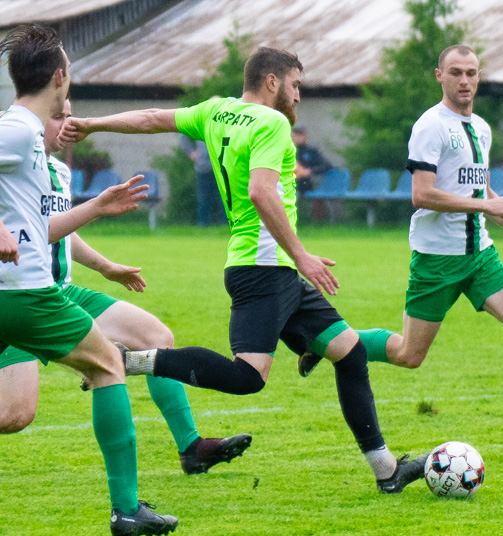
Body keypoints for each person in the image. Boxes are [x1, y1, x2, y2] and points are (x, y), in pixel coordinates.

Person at [62, 46, 430, 494]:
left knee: (349, 352)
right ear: (272, 82)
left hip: (268, 269)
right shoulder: (272, 123)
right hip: (263, 269)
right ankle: (127, 360)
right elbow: (261, 192)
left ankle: (387, 471)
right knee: (247, 377)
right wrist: (302, 256)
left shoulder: (216, 112)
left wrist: (94, 124)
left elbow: (152, 118)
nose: (298, 96)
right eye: (296, 85)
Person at [302, 45, 503, 459]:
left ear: (479, 77)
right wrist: (485, 206)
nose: (464, 81)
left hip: (480, 256)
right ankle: (328, 340)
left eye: (471, 73)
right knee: (407, 355)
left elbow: (480, 191)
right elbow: (422, 194)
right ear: (439, 76)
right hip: (436, 261)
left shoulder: (481, 129)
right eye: (456, 72)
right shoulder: (430, 126)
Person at [0, 99, 252, 479]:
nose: (67, 124)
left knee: (155, 336)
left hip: (64, 292)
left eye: (70, 115)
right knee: (14, 414)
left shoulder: (58, 171)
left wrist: (106, 267)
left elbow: (52, 231)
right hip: (23, 295)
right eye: (58, 116)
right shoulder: (15, 160)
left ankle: (191, 447)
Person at [0, 23, 177, 536]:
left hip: (16, 291)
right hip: (25, 295)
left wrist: (97, 207)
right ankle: (127, 512)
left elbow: (38, 230)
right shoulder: (17, 129)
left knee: (16, 412)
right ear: (60, 77)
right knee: (106, 364)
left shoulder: (26, 138)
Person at [179, 133, 227, 226]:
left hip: (220, 167)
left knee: (223, 199)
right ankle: (203, 225)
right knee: (203, 199)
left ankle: (225, 225)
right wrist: (191, 152)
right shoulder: (199, 121)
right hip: (203, 167)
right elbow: (183, 136)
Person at [292, 127, 332, 221]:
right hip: (288, 181)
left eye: (300, 135)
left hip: (306, 183)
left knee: (317, 192)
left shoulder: (311, 152)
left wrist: (310, 171)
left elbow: (326, 165)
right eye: (296, 135)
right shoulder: (287, 151)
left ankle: (317, 221)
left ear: (305, 136)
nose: (298, 138)